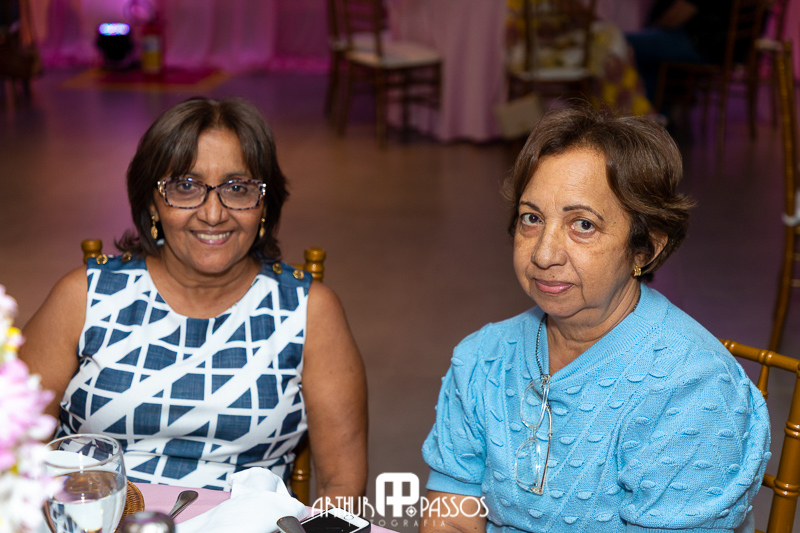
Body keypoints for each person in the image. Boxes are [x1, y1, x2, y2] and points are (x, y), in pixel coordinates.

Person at [420, 105, 770, 533]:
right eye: (532, 218)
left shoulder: (692, 389)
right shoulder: (481, 359)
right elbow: (452, 517)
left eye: (583, 225)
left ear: (645, 248)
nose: (544, 254)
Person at [19, 97, 368, 499]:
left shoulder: (310, 311)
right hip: (97, 519)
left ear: (264, 206)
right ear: (152, 202)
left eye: (238, 188)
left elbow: (343, 486)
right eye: (186, 187)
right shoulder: (84, 296)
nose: (213, 214)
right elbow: (13, 447)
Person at [625, 0, 734, 103]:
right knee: (652, 57)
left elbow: (674, 19)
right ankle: (655, 107)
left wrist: (651, 31)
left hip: (703, 44)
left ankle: (645, 108)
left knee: (624, 42)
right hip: (726, 50)